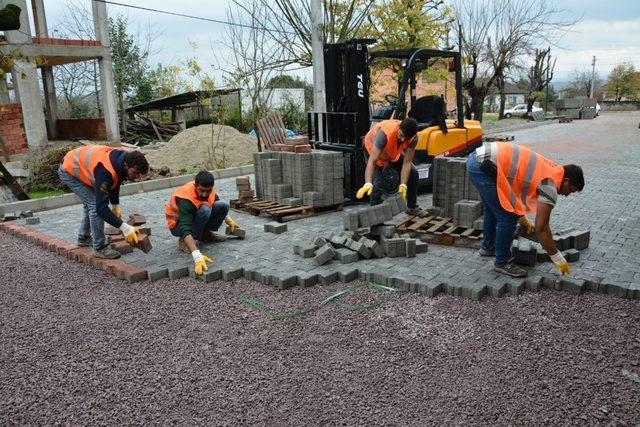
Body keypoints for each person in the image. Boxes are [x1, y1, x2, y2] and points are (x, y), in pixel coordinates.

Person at [466, 141, 584, 277]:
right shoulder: (550, 185)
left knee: (494, 209)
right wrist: (556, 257)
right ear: (566, 181)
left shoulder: (552, 169)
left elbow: (516, 185)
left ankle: (489, 247)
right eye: (571, 190)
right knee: (508, 216)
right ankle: (502, 262)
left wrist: (522, 216)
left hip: (479, 159)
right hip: (483, 167)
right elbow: (542, 228)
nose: (568, 194)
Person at [58, 145, 149, 259]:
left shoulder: (122, 160)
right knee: (94, 206)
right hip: (70, 170)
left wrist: (115, 206)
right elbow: (101, 209)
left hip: (83, 166)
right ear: (126, 166)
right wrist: (125, 228)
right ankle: (100, 248)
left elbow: (116, 182)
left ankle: (83, 238)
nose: (137, 177)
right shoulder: (105, 172)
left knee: (91, 203)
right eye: (135, 172)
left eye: (140, 174)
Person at [164, 171, 239, 275]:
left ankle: (204, 234)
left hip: (194, 216)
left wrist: (227, 218)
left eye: (208, 191)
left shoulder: (209, 190)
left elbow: (214, 199)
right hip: (177, 225)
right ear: (196, 186)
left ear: (212, 187)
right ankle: (185, 241)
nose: (205, 194)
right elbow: (185, 227)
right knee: (205, 210)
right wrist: (196, 255)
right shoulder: (185, 198)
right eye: (201, 190)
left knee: (223, 206)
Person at [356, 118, 422, 215]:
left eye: (406, 138)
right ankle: (375, 218)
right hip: (372, 150)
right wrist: (368, 183)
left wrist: (403, 185)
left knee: (413, 173)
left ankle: (412, 207)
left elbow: (407, 162)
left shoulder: (413, 138)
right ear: (399, 128)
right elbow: (372, 161)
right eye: (401, 135)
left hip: (391, 153)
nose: (403, 140)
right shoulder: (384, 134)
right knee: (377, 183)